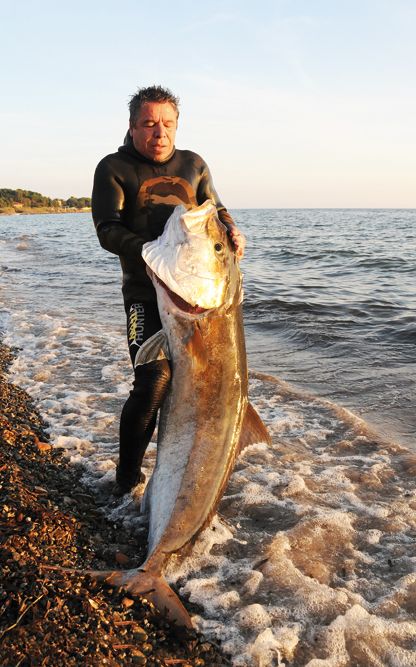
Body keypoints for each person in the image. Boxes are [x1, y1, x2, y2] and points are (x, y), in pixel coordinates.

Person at [92, 85, 246, 496]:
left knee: (203, 390)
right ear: (132, 126)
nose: (159, 133)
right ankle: (126, 481)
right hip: (144, 292)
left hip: (193, 294)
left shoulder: (193, 164)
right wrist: (151, 253)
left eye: (167, 123)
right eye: (148, 124)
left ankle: (184, 480)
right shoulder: (113, 168)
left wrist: (232, 228)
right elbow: (106, 230)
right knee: (154, 381)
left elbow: (214, 206)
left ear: (176, 125)